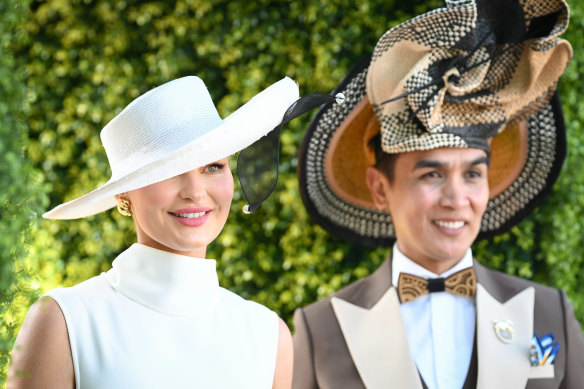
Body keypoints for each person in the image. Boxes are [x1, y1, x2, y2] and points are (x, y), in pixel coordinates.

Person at [292, 0, 584, 388]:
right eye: (432, 174)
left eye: (473, 174)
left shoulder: (550, 314)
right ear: (380, 188)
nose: (457, 198)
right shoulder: (320, 329)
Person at [7, 75, 337, 388]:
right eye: (170, 171)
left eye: (213, 166)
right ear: (124, 196)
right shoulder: (65, 320)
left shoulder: (268, 335)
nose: (195, 191)